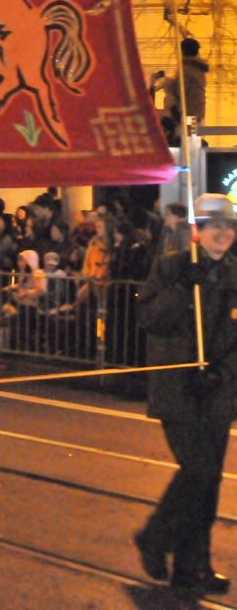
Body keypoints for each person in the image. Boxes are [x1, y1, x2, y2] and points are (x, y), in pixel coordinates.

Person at [135, 194, 237, 600]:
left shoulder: (234, 275)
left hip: (217, 393)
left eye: (229, 226)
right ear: (198, 230)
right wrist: (181, 287)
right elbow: (151, 319)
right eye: (215, 226)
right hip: (178, 390)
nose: (223, 233)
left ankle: (193, 567)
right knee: (197, 472)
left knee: (208, 485)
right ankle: (155, 536)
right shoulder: (172, 267)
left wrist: (222, 373)